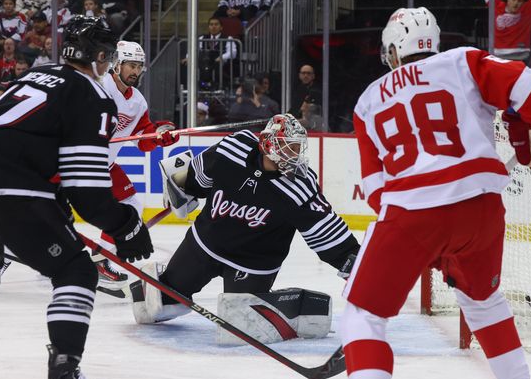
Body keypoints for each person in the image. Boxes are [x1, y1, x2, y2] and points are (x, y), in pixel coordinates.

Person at [309, 7, 531, 379]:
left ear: (391, 50)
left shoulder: (367, 100)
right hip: (482, 211)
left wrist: (420, 244)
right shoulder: (464, 61)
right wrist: (523, 124)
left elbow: (378, 190)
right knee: (483, 299)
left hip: (413, 213)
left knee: (363, 312)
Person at [0, 16, 153, 379]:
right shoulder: (91, 95)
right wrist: (126, 225)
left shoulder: (38, 75)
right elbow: (87, 190)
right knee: (76, 272)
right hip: (6, 188)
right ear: (103, 57)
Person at [131, 113, 360, 329]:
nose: (295, 154)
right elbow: (198, 177)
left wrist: (358, 268)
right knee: (154, 305)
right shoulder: (233, 148)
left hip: (253, 263)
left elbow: (328, 234)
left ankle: (295, 308)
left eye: (298, 148)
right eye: (289, 146)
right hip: (204, 246)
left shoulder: (300, 185)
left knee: (242, 320)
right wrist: (180, 185)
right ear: (269, 144)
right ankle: (168, 283)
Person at [93, 40, 179, 288]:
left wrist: (160, 135)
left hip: (105, 166)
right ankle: (1, 253)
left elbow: (143, 141)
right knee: (46, 210)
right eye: (131, 65)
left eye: (139, 66)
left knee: (131, 204)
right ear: (117, 65)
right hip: (73, 162)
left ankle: (100, 260)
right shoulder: (98, 86)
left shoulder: (138, 101)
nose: (135, 71)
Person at [197, 17, 238, 91]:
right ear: (208, 27)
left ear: (221, 27)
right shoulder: (202, 38)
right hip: (204, 66)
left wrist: (222, 57)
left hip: (221, 66)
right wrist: (188, 57)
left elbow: (233, 52)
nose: (213, 27)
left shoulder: (228, 38)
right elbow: (194, 50)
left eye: (216, 24)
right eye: (211, 24)